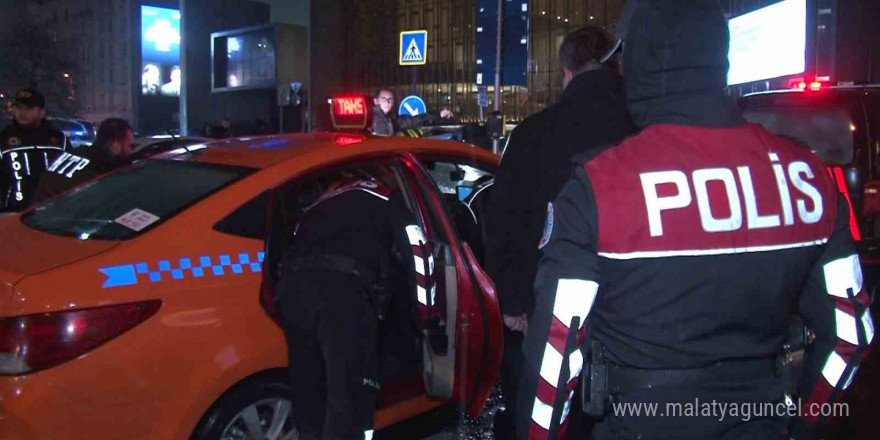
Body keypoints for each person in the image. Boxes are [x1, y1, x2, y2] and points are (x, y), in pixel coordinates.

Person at [516, 1, 874, 440]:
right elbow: (851, 336)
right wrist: (802, 425)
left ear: (644, 61)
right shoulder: (810, 180)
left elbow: (555, 355)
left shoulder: (600, 186)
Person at [484, 26, 636, 439]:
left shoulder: (533, 133)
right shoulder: (645, 128)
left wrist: (514, 303)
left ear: (566, 72)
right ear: (617, 67)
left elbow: (503, 222)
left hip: (548, 316)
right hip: (637, 322)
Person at [276, 168, 419, 440]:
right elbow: (418, 252)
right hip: (341, 293)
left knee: (309, 385)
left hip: (293, 292)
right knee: (350, 396)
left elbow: (285, 247)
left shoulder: (322, 201)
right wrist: (429, 315)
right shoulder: (387, 196)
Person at [34, 117, 133, 203]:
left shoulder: (72, 154)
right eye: (129, 145)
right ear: (116, 143)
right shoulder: (100, 170)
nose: (130, 150)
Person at [0, 88, 67, 211]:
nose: (22, 113)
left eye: (28, 108)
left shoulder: (57, 139)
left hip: (52, 209)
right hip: (13, 210)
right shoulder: (4, 139)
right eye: (18, 108)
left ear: (41, 112)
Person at [371, 88, 453, 136]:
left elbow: (412, 121)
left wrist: (438, 115)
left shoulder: (391, 119)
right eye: (384, 99)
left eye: (390, 99)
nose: (387, 102)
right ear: (376, 101)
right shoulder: (372, 117)